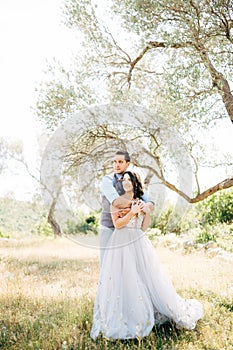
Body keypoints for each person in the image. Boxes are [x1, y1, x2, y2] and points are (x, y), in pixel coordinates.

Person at [90, 171, 204, 340]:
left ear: (136, 182)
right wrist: (131, 212)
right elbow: (118, 224)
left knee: (146, 276)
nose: (126, 182)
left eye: (129, 179)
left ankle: (155, 308)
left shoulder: (141, 201)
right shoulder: (117, 202)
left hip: (138, 241)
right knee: (124, 277)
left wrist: (146, 212)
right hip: (120, 243)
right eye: (124, 180)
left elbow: (143, 227)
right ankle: (128, 314)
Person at [99, 150, 153, 264]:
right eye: (114, 162)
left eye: (120, 162)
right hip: (108, 227)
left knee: (129, 264)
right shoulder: (107, 180)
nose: (116, 165)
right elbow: (116, 202)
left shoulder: (132, 180)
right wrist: (135, 206)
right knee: (107, 263)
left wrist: (144, 206)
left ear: (127, 164)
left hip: (128, 230)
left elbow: (150, 204)